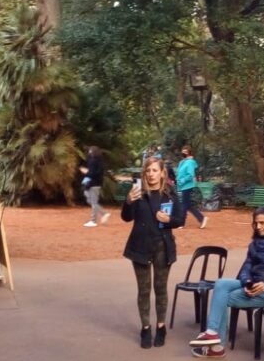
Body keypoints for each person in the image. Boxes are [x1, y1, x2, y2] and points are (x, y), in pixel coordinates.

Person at [190, 208, 264, 359]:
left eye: (262, 223)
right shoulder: (255, 244)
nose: (258, 227)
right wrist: (246, 282)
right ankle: (212, 333)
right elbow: (246, 267)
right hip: (252, 285)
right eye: (255, 223)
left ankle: (217, 347)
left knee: (223, 297)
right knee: (221, 284)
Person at [121, 157, 185, 349]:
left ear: (162, 173)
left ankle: (161, 326)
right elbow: (126, 217)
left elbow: (180, 219)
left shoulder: (170, 194)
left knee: (160, 288)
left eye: (155, 170)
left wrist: (168, 219)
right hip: (139, 245)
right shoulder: (137, 193)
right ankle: (146, 328)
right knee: (144, 289)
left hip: (162, 246)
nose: (151, 174)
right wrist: (128, 201)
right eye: (148, 170)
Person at [175, 145, 208, 229]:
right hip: (182, 186)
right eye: (183, 151)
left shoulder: (190, 162)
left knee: (184, 205)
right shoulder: (183, 162)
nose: (183, 153)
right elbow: (179, 172)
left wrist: (182, 180)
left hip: (187, 186)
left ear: (189, 153)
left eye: (185, 152)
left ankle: (181, 223)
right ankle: (201, 218)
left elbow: (190, 175)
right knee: (188, 204)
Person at [79, 145, 109, 227]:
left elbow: (92, 173)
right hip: (96, 183)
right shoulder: (99, 161)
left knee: (93, 202)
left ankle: (93, 220)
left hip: (93, 183)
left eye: (90, 151)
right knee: (90, 200)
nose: (89, 152)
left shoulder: (93, 161)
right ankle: (103, 213)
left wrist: (85, 172)